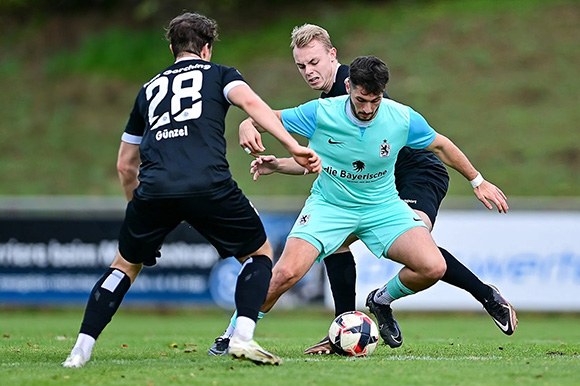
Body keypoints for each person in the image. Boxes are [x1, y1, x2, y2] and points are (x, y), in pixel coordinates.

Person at [208, 24, 517, 357]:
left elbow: (440, 146)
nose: (309, 72)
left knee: (428, 258)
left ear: (333, 56)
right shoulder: (324, 108)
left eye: (314, 62)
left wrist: (477, 180)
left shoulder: (388, 107)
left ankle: (466, 296)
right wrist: (253, 130)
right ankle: (262, 332)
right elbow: (317, 157)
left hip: (411, 174)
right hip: (341, 198)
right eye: (302, 66)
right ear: (348, 88)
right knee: (291, 269)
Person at [61, 12, 321, 368]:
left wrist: (135, 210)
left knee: (124, 265)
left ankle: (80, 350)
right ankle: (242, 336)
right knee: (259, 253)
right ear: (207, 49)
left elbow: (125, 164)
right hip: (208, 183)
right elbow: (252, 104)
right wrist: (292, 146)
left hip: (154, 189)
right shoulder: (220, 74)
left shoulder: (148, 89)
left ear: (172, 48)